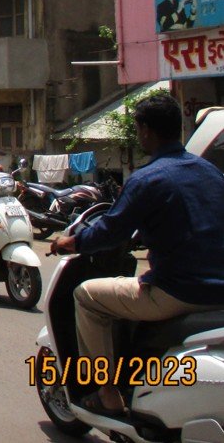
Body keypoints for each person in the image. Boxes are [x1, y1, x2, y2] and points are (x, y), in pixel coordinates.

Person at [51, 93, 224, 416]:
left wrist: (71, 242)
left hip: (180, 292)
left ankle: (107, 393)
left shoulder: (147, 178)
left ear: (145, 130)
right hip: (219, 291)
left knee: (86, 295)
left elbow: (110, 231)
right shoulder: (211, 172)